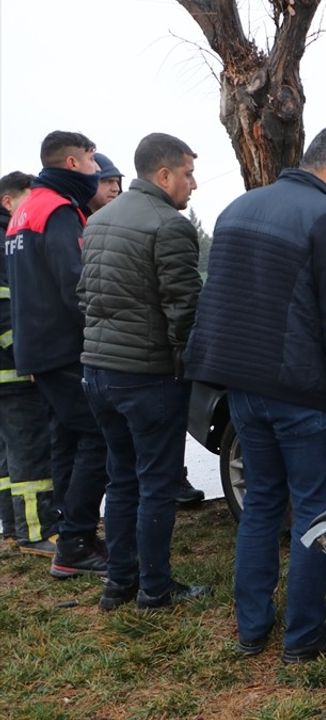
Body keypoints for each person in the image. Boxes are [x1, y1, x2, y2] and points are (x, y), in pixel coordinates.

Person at [184, 126, 326, 662]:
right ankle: (305, 637)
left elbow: (220, 303)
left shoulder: (238, 209)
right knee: (315, 512)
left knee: (263, 505)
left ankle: (252, 630)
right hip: (304, 393)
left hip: (244, 389)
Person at [79, 133, 209, 610]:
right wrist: (188, 365)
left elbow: (85, 296)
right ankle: (154, 588)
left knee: (121, 478)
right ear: (164, 175)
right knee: (156, 482)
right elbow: (183, 310)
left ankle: (118, 582)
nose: (193, 184)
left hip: (98, 372)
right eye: (189, 173)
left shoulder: (97, 221)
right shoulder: (168, 226)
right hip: (146, 376)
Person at [4, 131, 109, 578]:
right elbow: (77, 285)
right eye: (91, 159)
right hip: (65, 347)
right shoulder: (59, 211)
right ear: (71, 162)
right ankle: (76, 544)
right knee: (100, 435)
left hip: (37, 349)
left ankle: (71, 530)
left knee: (67, 437)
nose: (96, 169)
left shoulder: (24, 210)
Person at [0, 171, 58, 558]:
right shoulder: (5, 241)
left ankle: (11, 525)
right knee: (31, 451)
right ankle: (37, 532)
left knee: (9, 456)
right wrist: (26, 355)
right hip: (14, 370)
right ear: (9, 201)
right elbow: (6, 310)